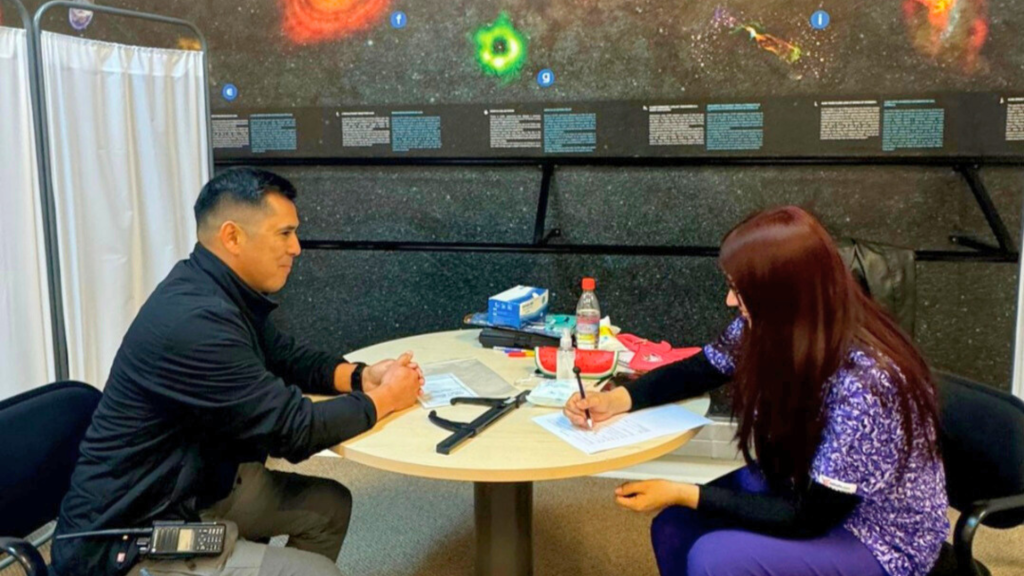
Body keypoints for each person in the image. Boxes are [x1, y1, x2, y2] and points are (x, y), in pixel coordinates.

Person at [52, 168, 424, 576]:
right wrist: (387, 398)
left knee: (329, 508)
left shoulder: (219, 290)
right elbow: (294, 431)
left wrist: (360, 377)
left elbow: (286, 357)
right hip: (131, 537)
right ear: (232, 237)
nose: (296, 248)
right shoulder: (195, 322)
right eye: (284, 233)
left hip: (196, 486)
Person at [564, 206, 948, 576]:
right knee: (673, 528)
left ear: (780, 292)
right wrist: (616, 400)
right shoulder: (771, 325)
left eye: (739, 289)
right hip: (797, 481)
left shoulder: (866, 386)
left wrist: (685, 492)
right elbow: (703, 368)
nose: (730, 300)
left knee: (715, 560)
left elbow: (810, 516)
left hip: (875, 534)